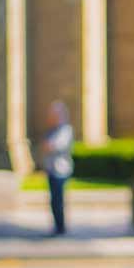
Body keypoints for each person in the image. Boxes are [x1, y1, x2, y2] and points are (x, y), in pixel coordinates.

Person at [38, 101, 75, 236]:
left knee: (59, 200)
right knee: (53, 200)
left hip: (61, 170)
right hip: (51, 169)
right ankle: (57, 225)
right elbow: (45, 145)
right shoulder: (52, 130)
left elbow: (55, 146)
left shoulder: (65, 129)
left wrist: (48, 145)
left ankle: (61, 227)